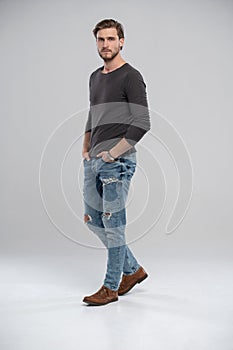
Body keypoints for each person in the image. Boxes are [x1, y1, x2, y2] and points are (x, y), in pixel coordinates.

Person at [82, 19, 150, 306]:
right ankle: (132, 271)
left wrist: (114, 153)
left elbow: (143, 122)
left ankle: (111, 287)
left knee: (114, 225)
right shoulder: (95, 77)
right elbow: (93, 111)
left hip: (117, 164)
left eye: (111, 39)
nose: (105, 45)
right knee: (93, 220)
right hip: (93, 161)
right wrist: (86, 145)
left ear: (122, 41)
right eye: (101, 39)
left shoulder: (130, 76)